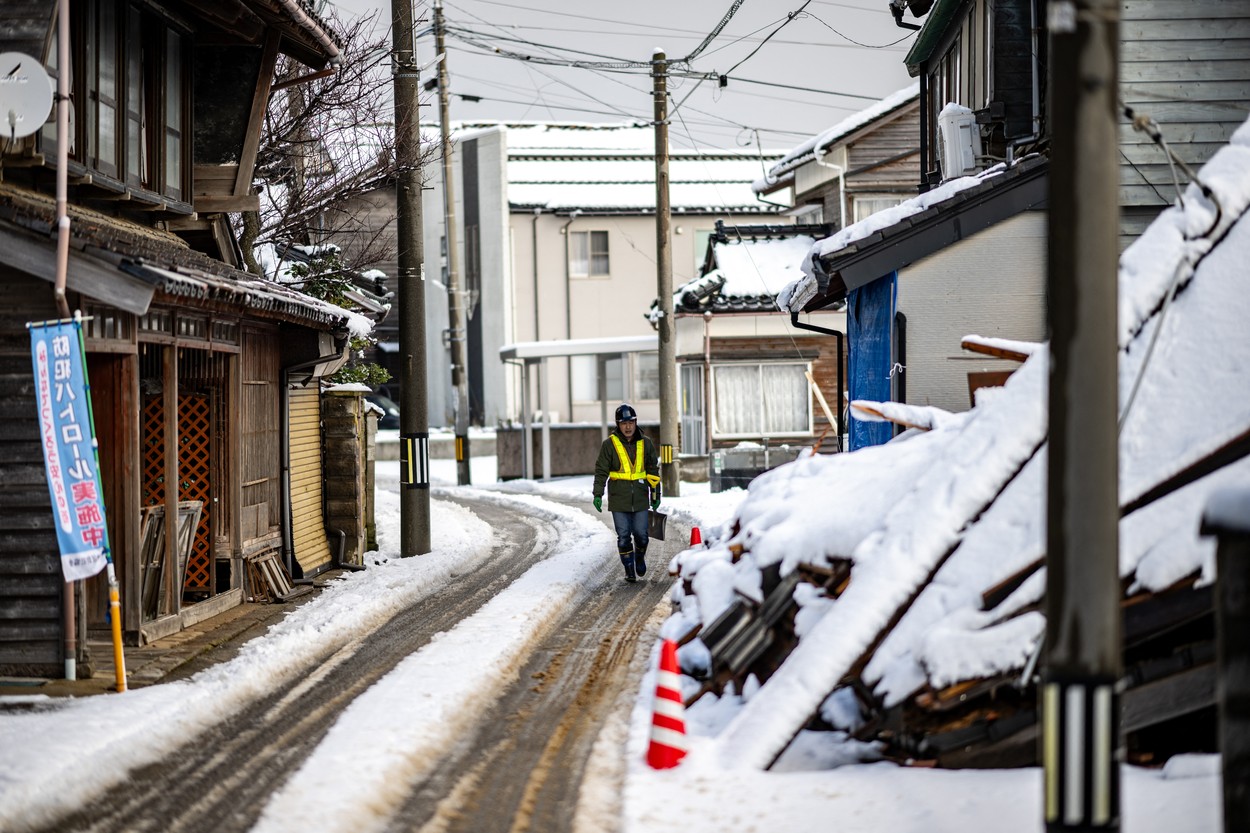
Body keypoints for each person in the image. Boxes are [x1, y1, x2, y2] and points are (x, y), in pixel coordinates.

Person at [592, 403, 661, 583]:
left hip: (640, 498)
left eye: (631, 422)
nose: (628, 426)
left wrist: (656, 494)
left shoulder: (646, 443)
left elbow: (653, 470)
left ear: (636, 422)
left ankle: (639, 556)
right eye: (624, 423)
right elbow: (601, 470)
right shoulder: (609, 445)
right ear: (618, 424)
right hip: (618, 499)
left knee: (642, 536)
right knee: (623, 537)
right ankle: (629, 569)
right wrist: (598, 494)